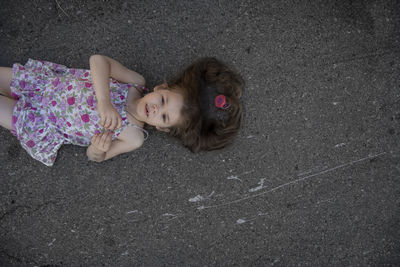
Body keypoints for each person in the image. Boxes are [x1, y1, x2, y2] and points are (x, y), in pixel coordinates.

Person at [0, 55, 242, 166]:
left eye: (165, 116)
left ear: (162, 127)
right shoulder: (134, 82)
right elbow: (98, 61)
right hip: (44, 85)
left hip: (42, 123)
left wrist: (98, 147)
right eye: (164, 99)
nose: (157, 108)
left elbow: (97, 157)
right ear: (161, 87)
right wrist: (104, 100)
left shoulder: (133, 135)